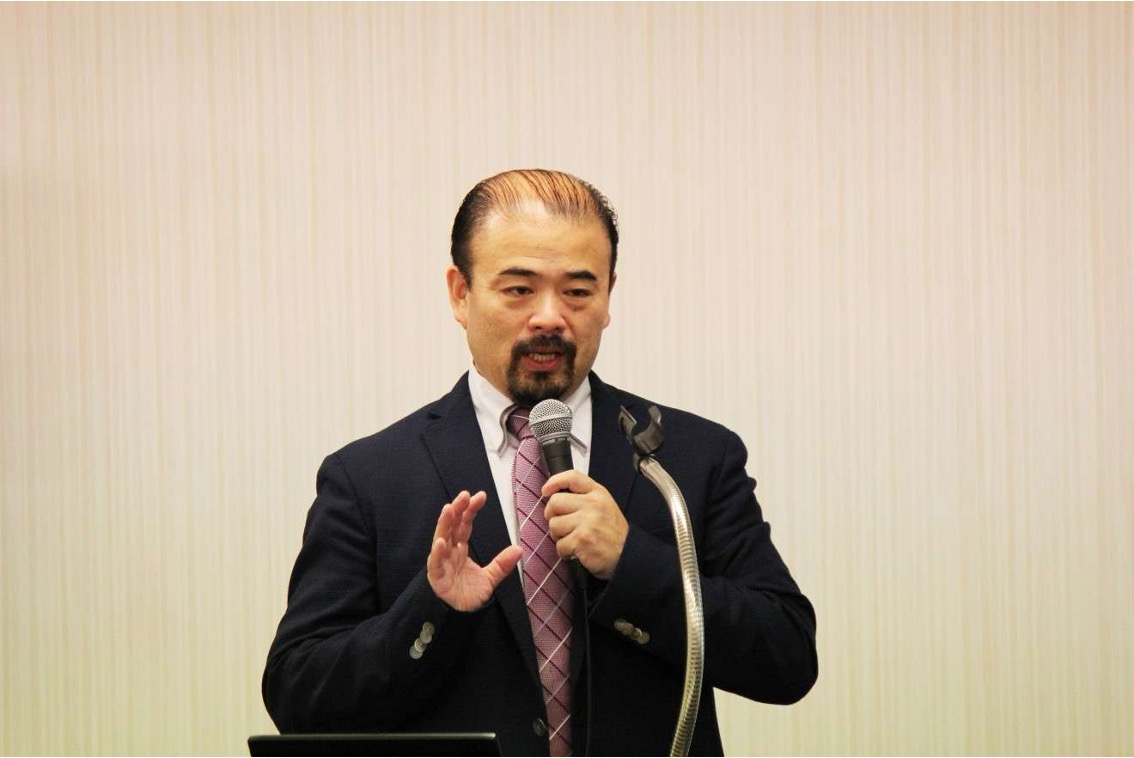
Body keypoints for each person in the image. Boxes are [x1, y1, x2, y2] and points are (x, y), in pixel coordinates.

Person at [262, 169, 817, 756]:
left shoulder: (690, 458)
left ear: (608, 296)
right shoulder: (370, 478)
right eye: (519, 289)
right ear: (460, 293)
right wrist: (432, 609)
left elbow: (787, 659)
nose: (550, 317)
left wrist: (633, 563)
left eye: (578, 291)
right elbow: (298, 696)